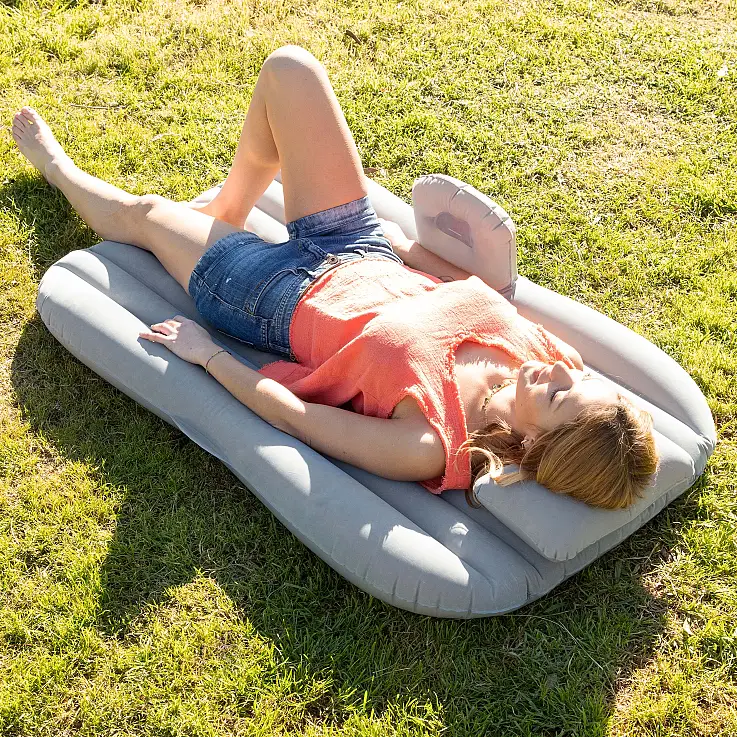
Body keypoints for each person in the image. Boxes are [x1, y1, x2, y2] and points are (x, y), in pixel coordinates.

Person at [11, 45, 658, 510]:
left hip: (268, 295)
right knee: (288, 71)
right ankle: (228, 209)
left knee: (146, 214)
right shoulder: (551, 357)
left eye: (557, 396)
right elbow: (479, 295)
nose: (558, 373)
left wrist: (208, 355)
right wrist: (409, 244)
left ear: (537, 441)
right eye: (575, 381)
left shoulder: (428, 443)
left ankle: (57, 168)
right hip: (361, 246)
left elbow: (297, 418)